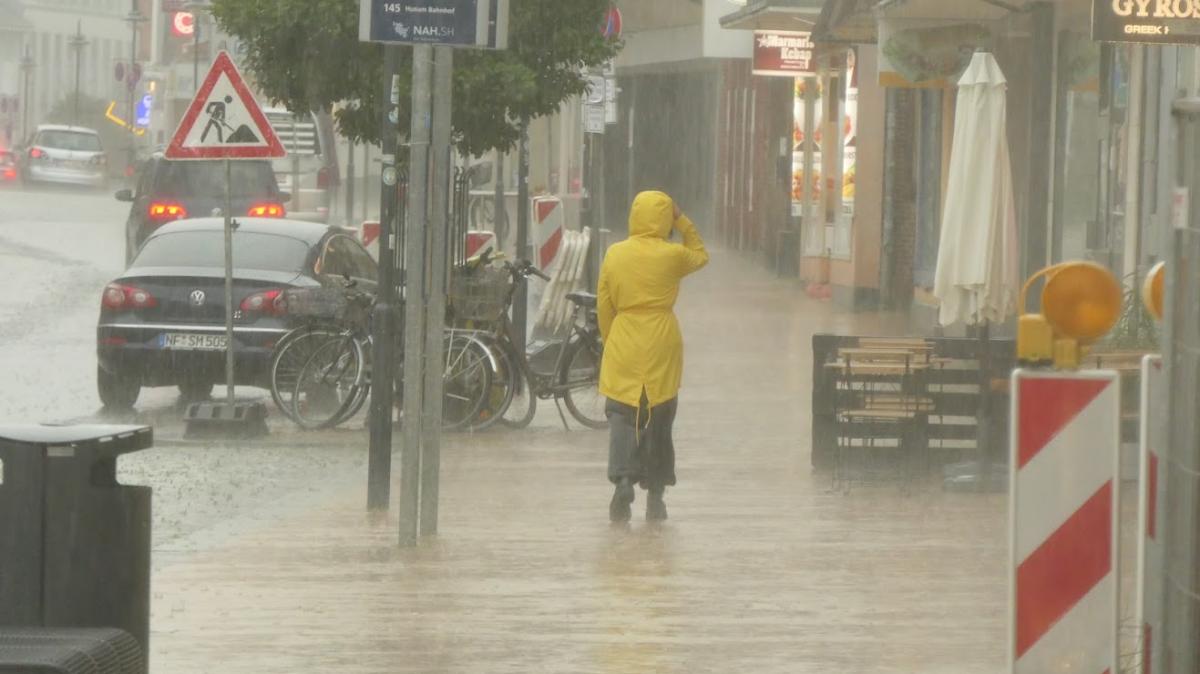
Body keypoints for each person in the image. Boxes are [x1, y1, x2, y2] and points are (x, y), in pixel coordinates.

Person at [596, 190, 709, 522]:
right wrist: (681, 218)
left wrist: (611, 340)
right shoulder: (672, 256)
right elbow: (701, 255)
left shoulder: (615, 254)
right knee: (659, 414)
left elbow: (604, 305)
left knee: (621, 414)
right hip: (662, 339)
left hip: (625, 337)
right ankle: (656, 494)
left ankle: (624, 480)